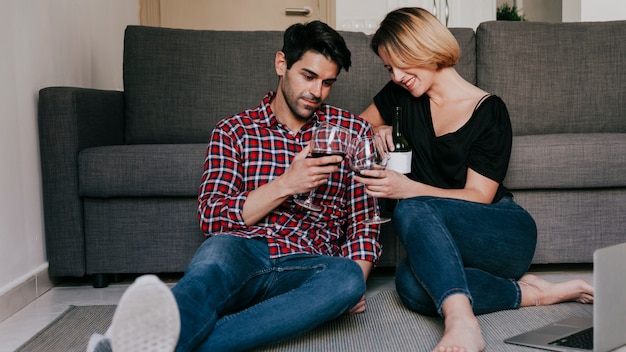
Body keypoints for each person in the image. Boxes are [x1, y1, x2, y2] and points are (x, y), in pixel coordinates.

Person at [87, 20, 382, 352]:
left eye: (328, 83)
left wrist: (353, 286)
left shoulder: (352, 130)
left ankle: (143, 345)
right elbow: (212, 216)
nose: (317, 92)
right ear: (281, 64)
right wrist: (286, 183)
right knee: (209, 269)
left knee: (347, 279)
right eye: (308, 76)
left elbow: (364, 222)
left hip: (308, 262)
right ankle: (143, 342)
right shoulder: (233, 130)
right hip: (242, 251)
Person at [357, 7, 594, 352]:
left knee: (411, 207)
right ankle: (535, 293)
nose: (396, 76)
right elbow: (350, 129)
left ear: (423, 47)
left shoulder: (489, 111)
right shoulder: (400, 97)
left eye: (399, 63)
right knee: (409, 283)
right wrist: (377, 127)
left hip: (500, 231)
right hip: (442, 239)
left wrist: (408, 189)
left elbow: (479, 196)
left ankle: (460, 321)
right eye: (389, 68)